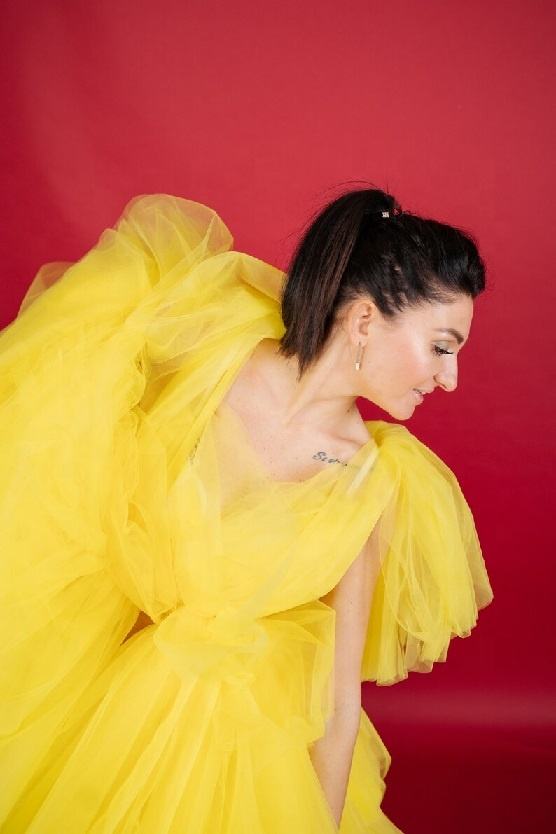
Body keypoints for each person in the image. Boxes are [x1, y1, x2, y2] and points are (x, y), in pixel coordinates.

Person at [0, 186, 493, 833]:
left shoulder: (368, 480)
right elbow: (56, 438)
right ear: (365, 320)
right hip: (120, 711)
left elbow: (338, 701)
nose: (449, 379)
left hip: (257, 753)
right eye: (442, 346)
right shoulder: (205, 357)